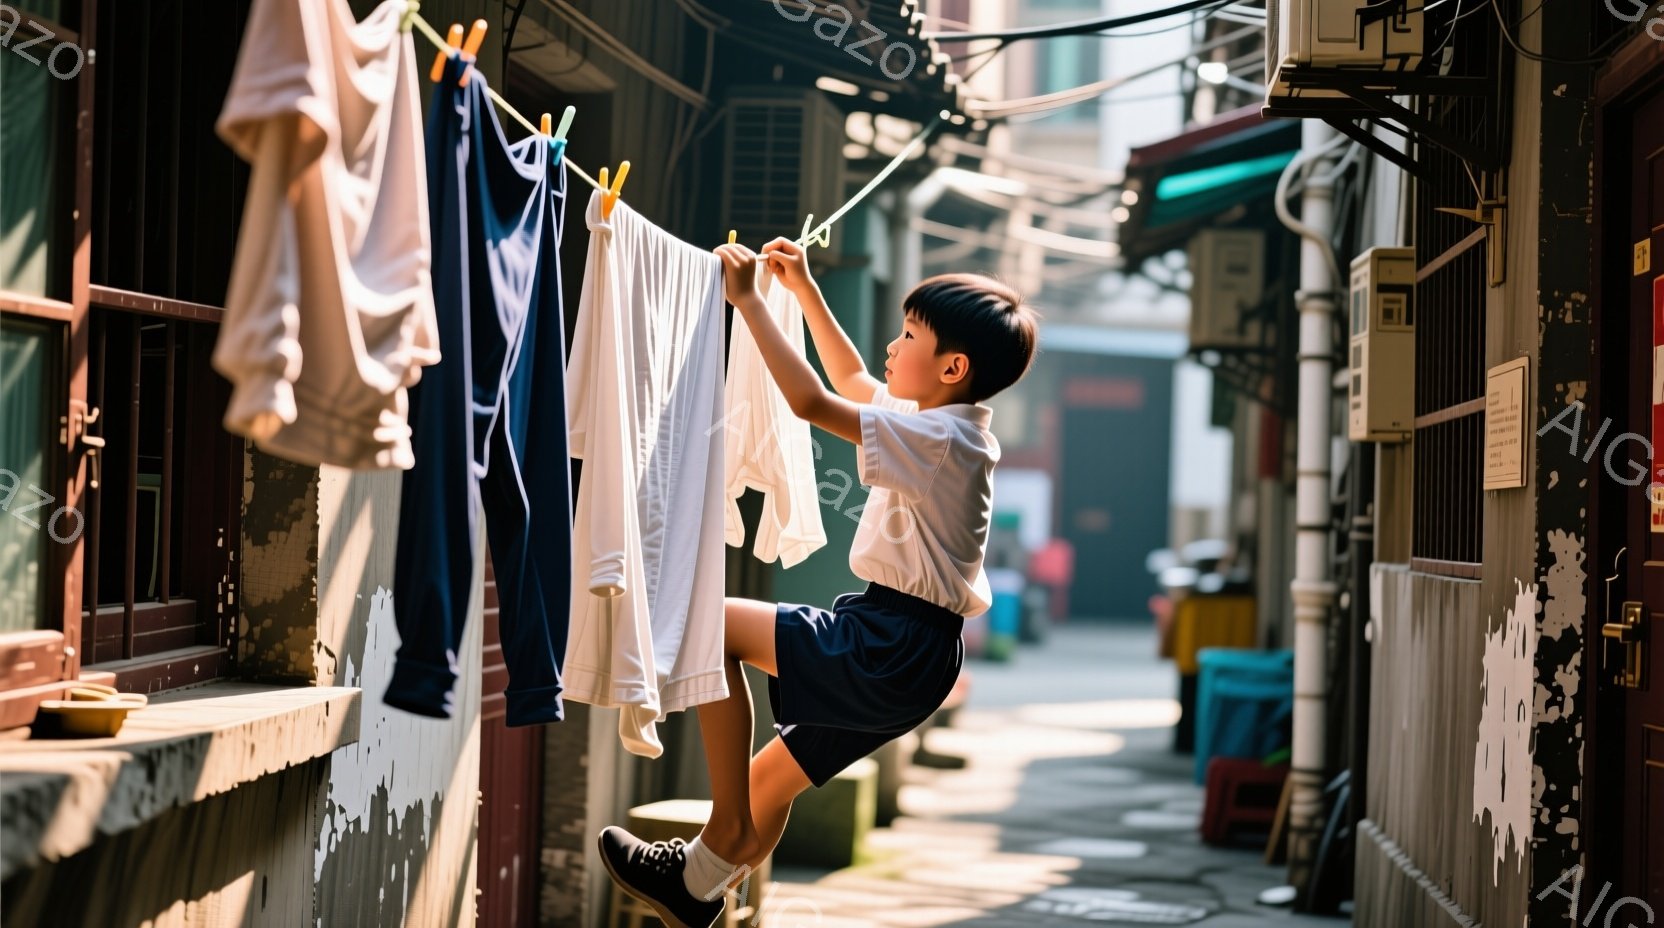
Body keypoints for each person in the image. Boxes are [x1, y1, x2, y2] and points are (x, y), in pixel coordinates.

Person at [596, 237, 1040, 928]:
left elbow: (809, 401)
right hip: (911, 649)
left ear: (952, 366)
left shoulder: (937, 441)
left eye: (909, 334)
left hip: (891, 641)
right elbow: (853, 376)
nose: (894, 346)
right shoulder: (940, 425)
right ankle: (699, 881)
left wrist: (747, 300)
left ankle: (722, 836)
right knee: (769, 782)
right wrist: (802, 289)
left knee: (709, 627)